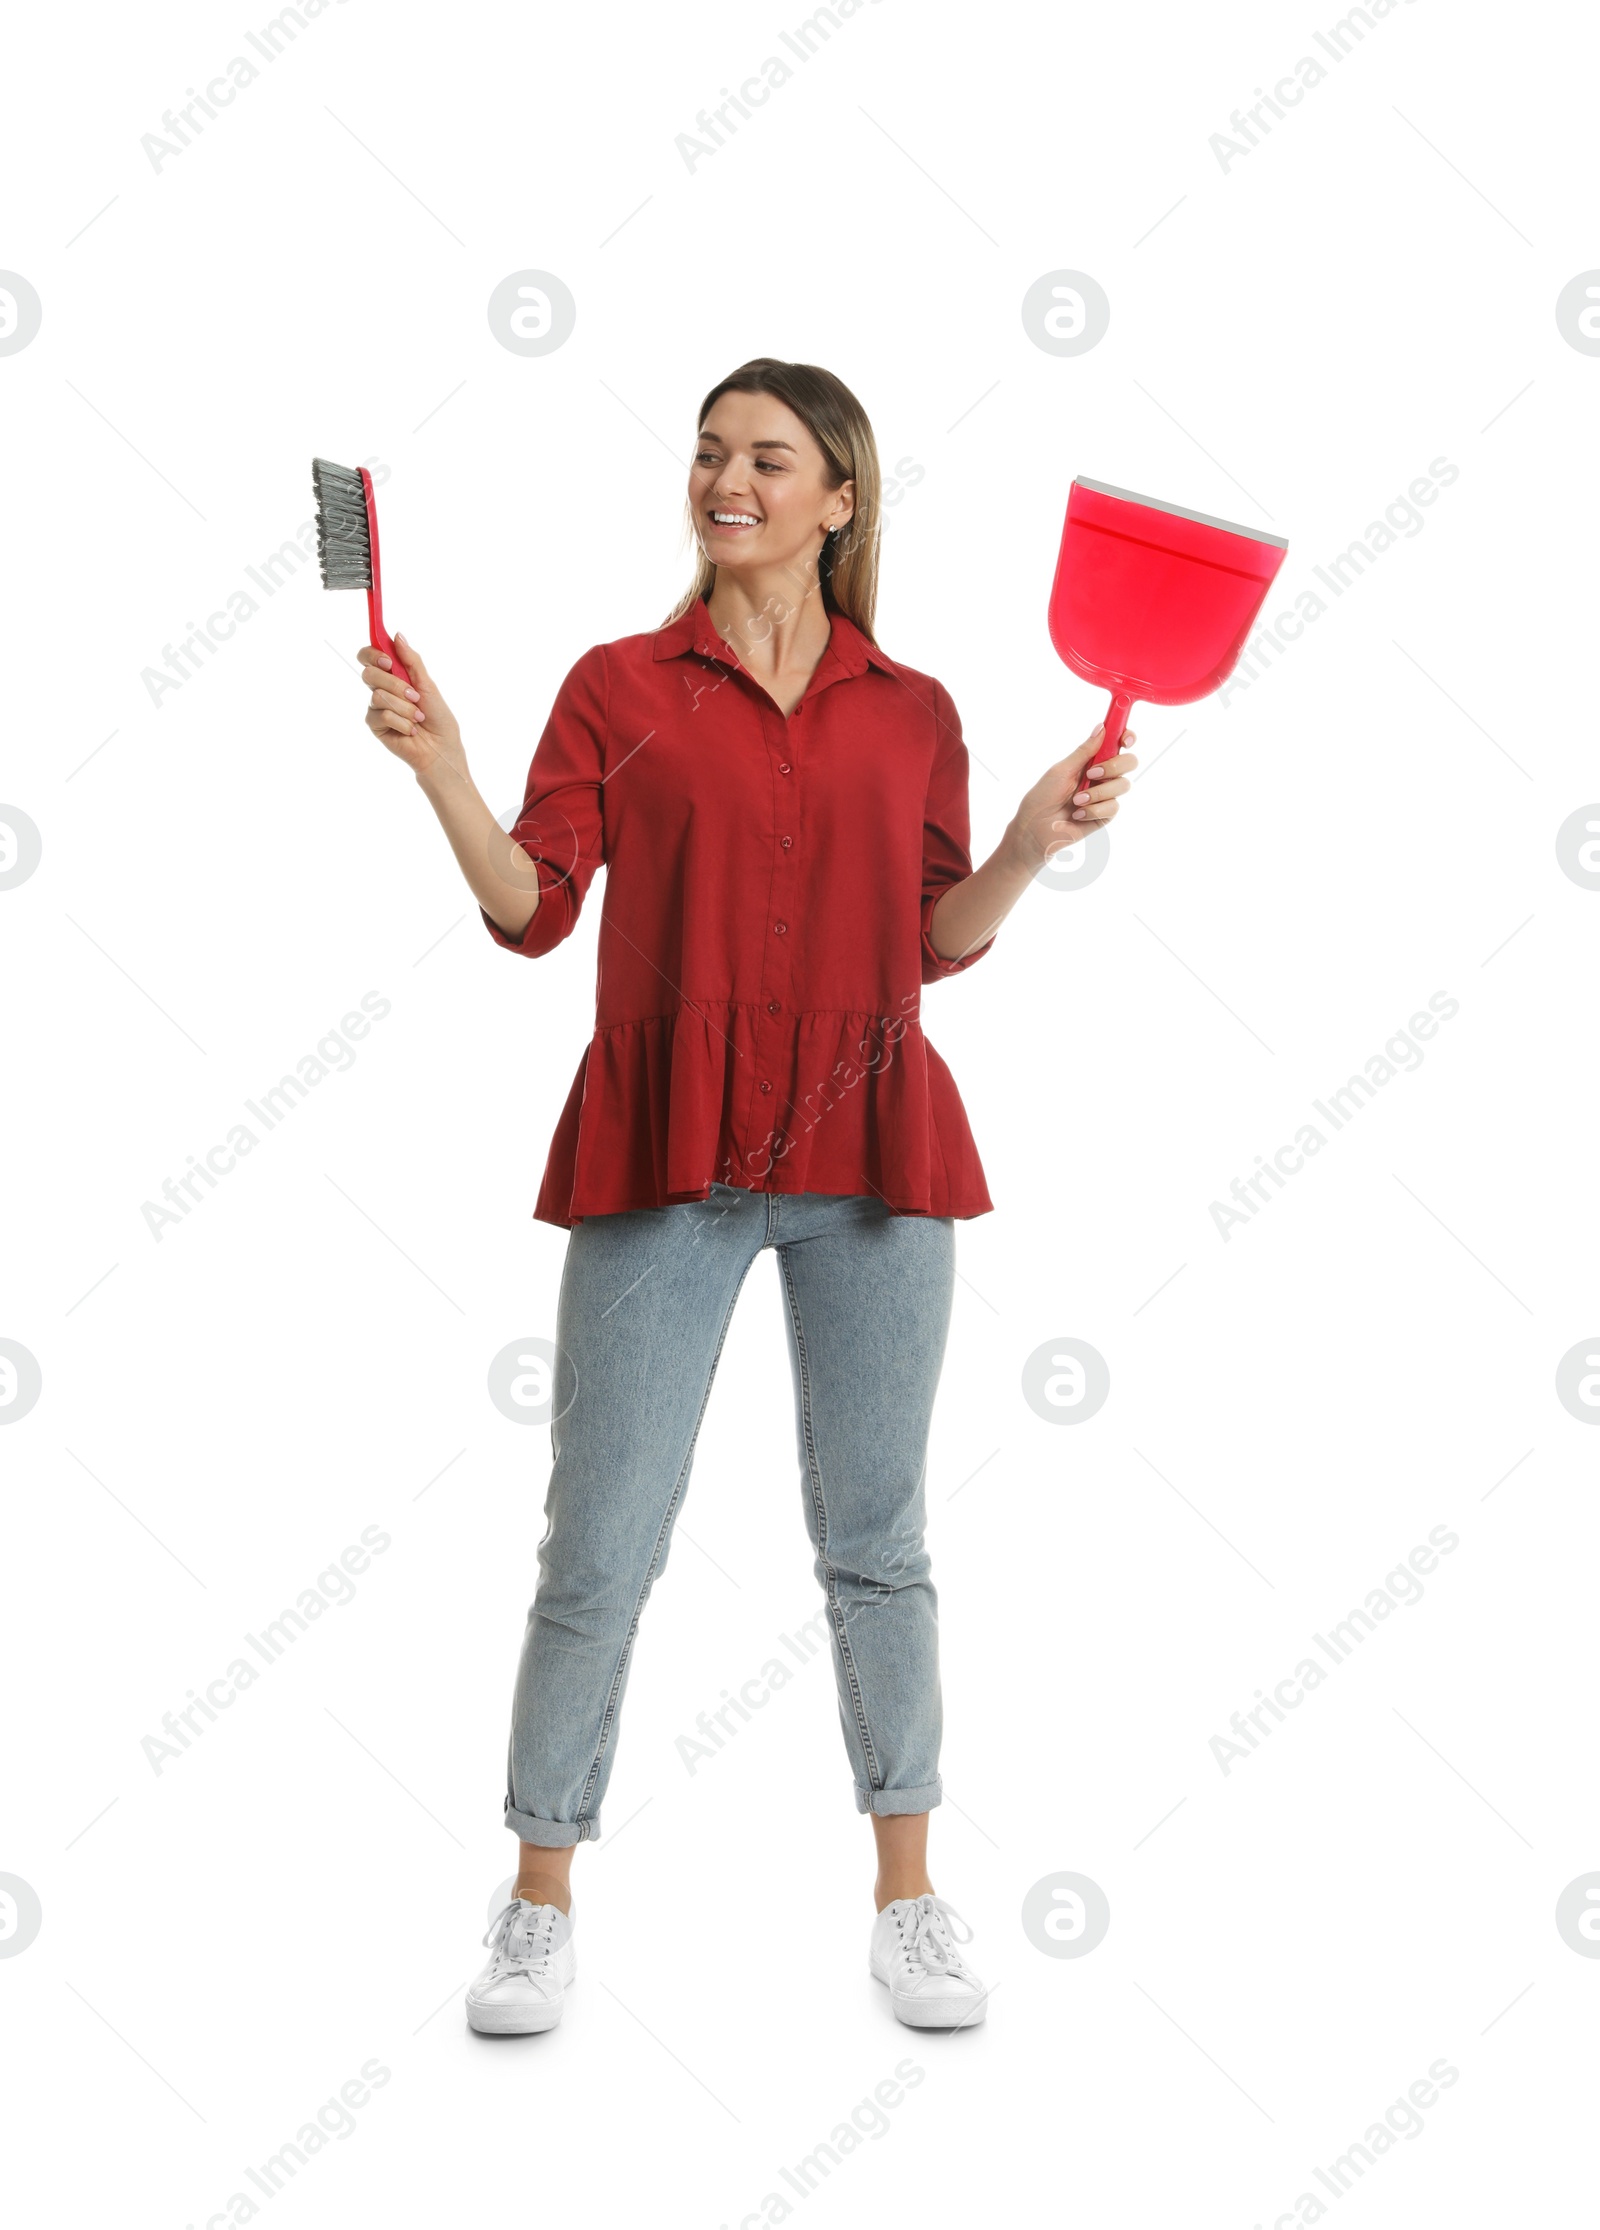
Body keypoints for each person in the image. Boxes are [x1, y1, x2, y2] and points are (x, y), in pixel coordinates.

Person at [355, 358, 1135, 2037]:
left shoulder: (911, 708)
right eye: (710, 452)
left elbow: (940, 937)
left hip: (873, 1156)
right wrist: (443, 767)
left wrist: (1025, 841)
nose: (729, 479)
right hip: (668, 1157)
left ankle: (911, 1898)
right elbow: (532, 909)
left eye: (769, 460)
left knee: (880, 1542)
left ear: (840, 498)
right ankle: (539, 1898)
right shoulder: (619, 683)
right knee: (602, 1541)